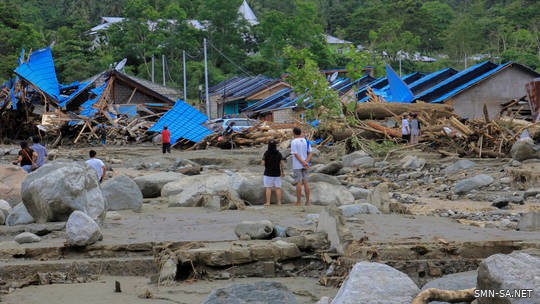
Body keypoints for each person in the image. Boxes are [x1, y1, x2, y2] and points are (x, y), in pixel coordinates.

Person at [291, 127, 312, 206]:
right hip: (305, 164)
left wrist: (303, 162)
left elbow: (295, 154)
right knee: (306, 182)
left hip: (297, 165)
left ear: (294, 133)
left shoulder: (294, 142)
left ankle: (299, 201)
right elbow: (310, 153)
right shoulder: (306, 141)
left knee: (298, 182)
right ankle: (307, 201)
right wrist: (306, 162)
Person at [262, 139, 285, 207]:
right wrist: (283, 172)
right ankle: (279, 203)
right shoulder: (279, 153)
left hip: (268, 173)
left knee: (268, 188)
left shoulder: (266, 153)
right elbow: (282, 164)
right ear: (275, 146)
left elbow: (263, 163)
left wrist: (264, 162)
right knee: (278, 188)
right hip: (277, 173)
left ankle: (268, 203)